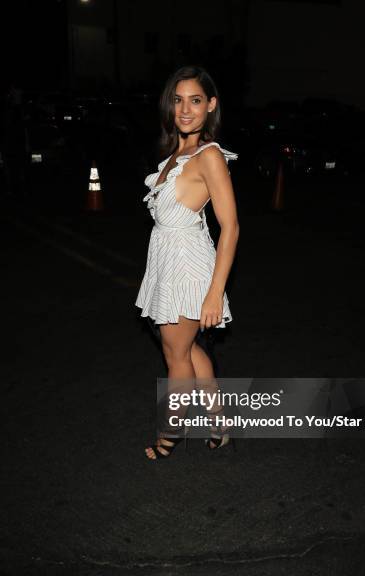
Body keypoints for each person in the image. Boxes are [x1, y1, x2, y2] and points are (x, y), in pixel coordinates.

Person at [135, 65, 239, 460]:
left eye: (196, 100)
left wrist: (215, 294)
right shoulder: (178, 154)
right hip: (168, 260)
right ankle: (218, 424)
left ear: (211, 106)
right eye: (178, 100)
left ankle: (170, 434)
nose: (185, 109)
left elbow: (230, 227)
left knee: (175, 355)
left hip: (188, 266)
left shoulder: (209, 155)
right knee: (190, 349)